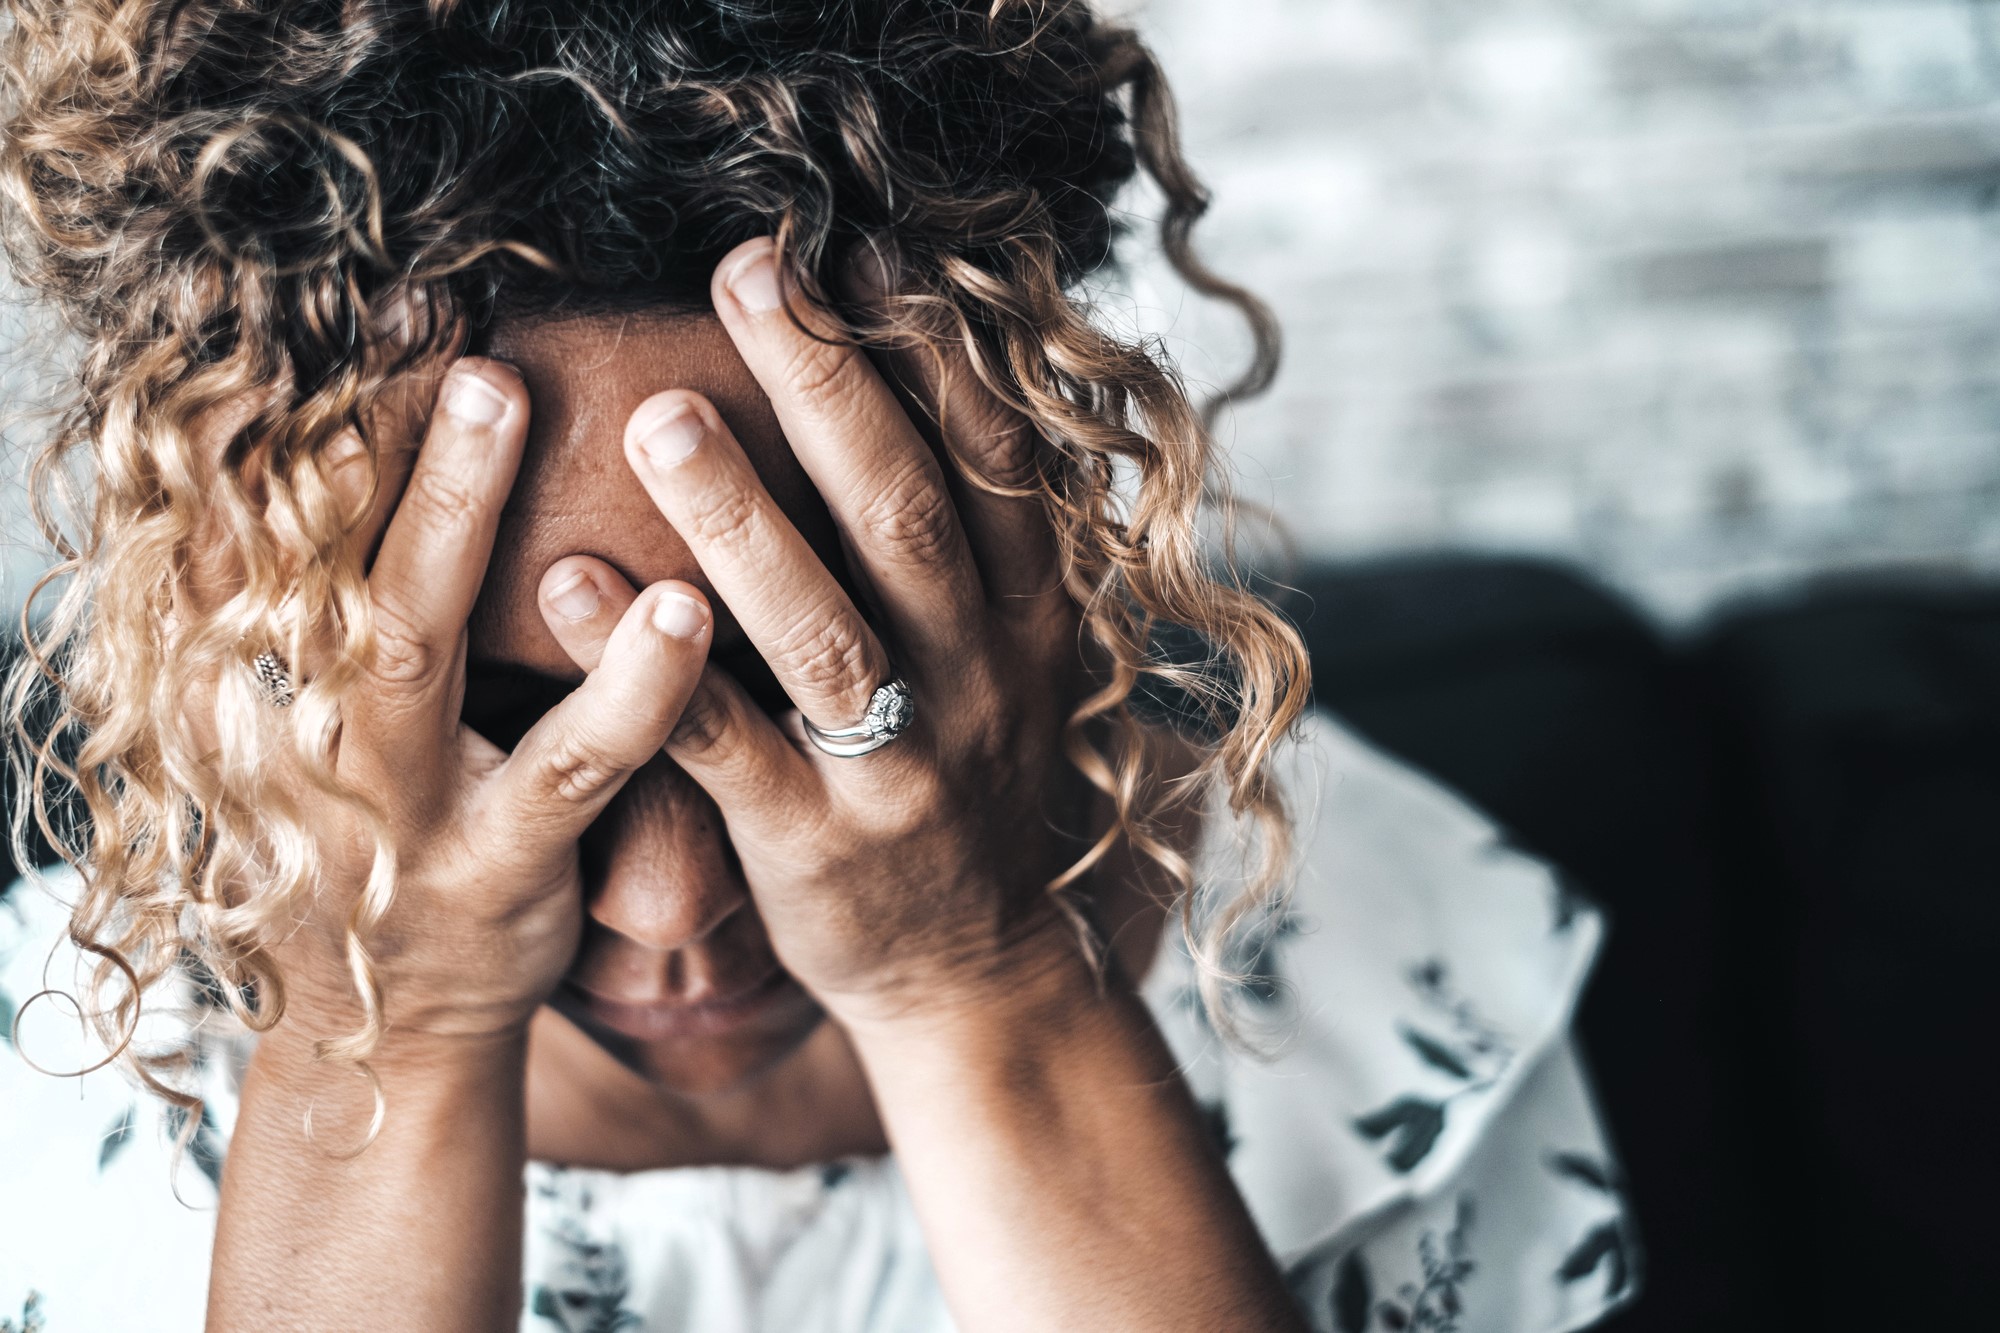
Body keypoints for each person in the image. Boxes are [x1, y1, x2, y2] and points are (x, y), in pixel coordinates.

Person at [0, 1, 1636, 1329]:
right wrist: (398, 1021)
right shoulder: (69, 1088)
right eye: (498, 730)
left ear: (1028, 545)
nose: (670, 915)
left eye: (809, 691)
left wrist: (976, 979)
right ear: (248, 610)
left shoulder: (1405, 986)